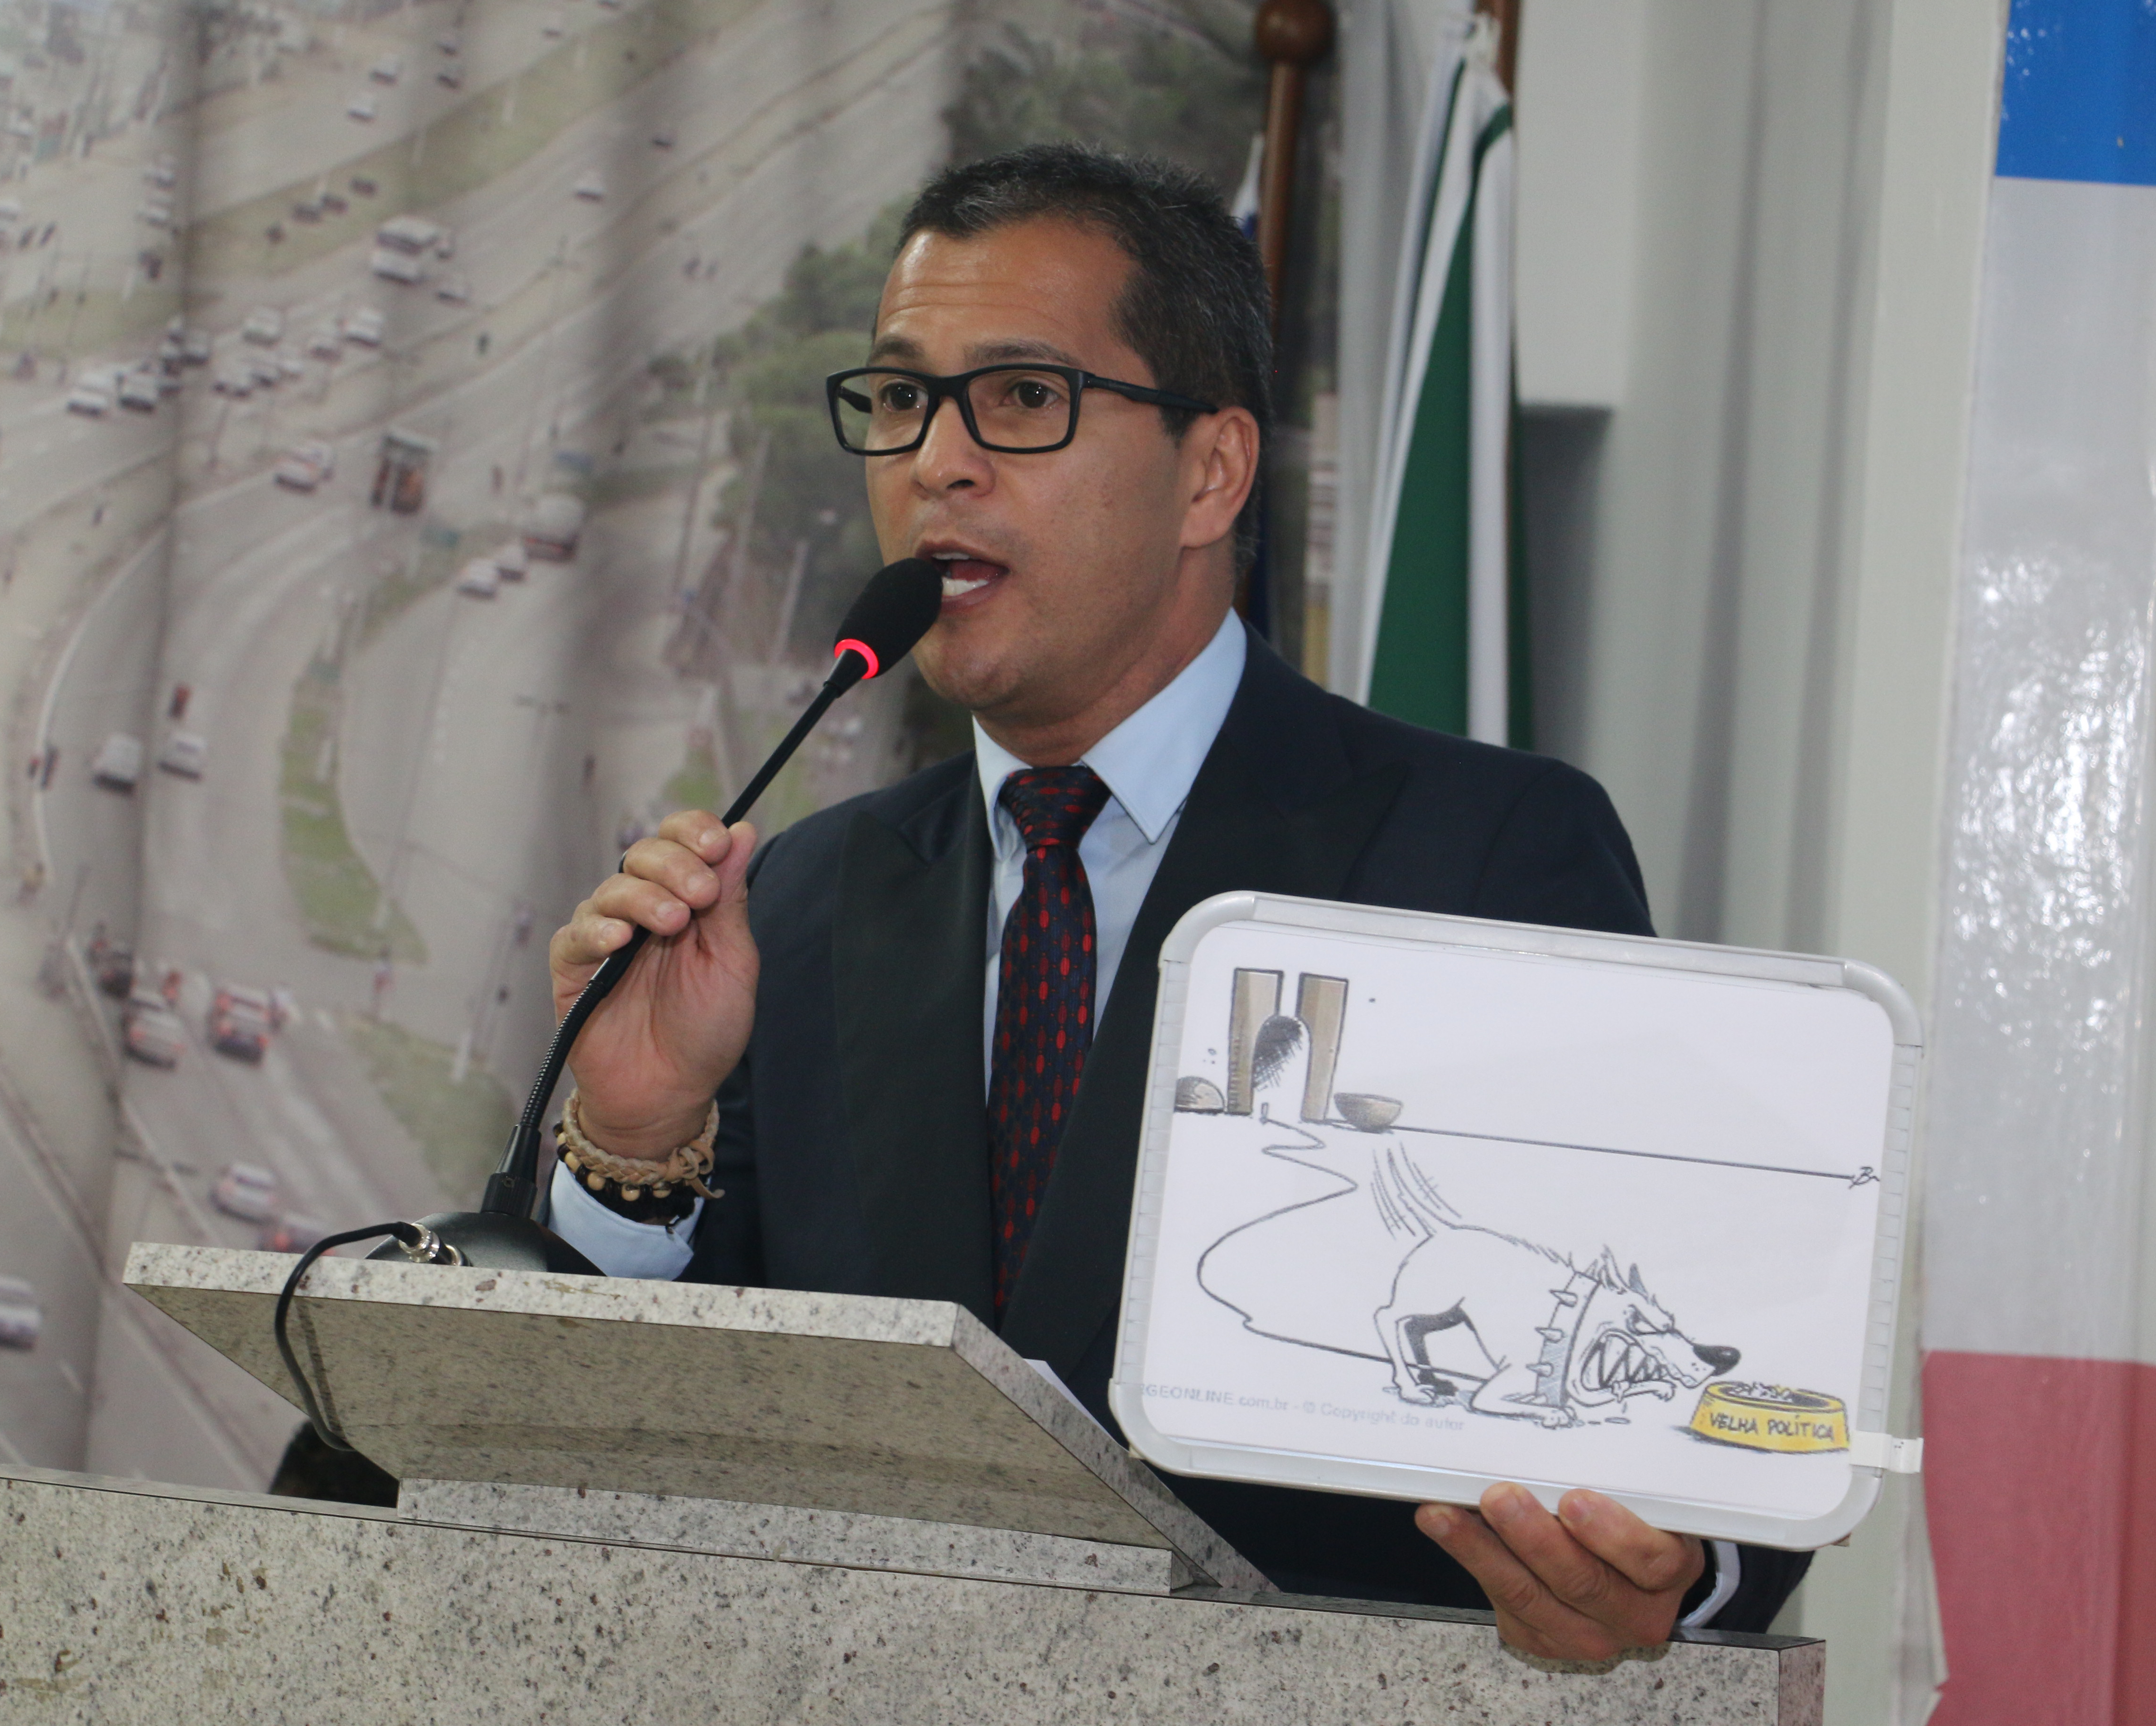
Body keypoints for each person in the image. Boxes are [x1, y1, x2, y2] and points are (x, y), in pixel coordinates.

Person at [545, 145, 1809, 1657]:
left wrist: (1676, 1563)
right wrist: (633, 1138)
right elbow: (640, 1444)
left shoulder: (1481, 853)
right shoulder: (800, 898)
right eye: (900, 400)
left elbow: (1703, 1379)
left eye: (1022, 397)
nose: (936, 462)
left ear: (1211, 471)